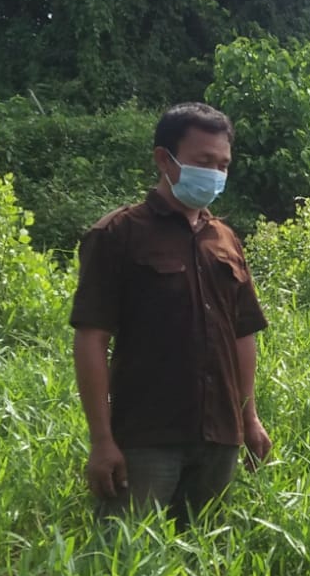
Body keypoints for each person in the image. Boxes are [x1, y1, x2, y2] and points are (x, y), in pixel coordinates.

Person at [70, 102, 271, 527]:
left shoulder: (225, 240)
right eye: (203, 162)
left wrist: (248, 417)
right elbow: (91, 339)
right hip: (146, 439)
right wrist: (102, 440)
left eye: (223, 164)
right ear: (165, 159)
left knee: (204, 558)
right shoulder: (118, 235)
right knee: (123, 563)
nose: (215, 174)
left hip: (220, 436)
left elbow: (243, 335)